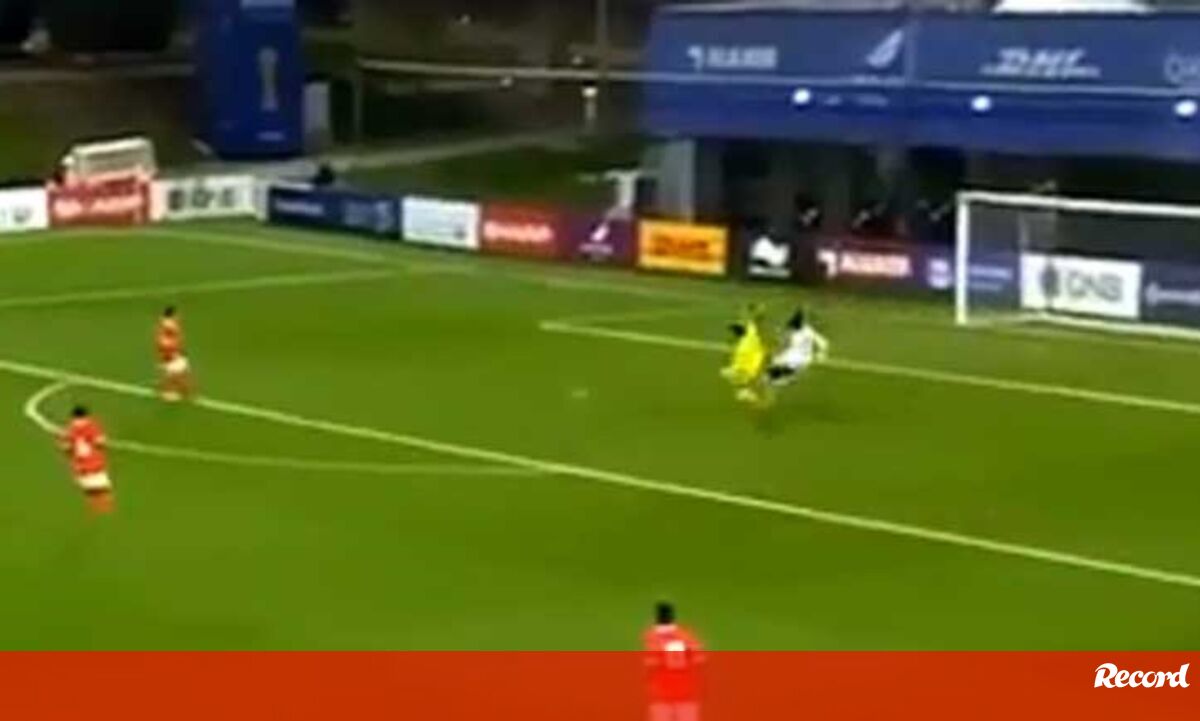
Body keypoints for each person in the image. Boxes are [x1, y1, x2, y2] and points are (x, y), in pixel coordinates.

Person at [644, 602, 704, 721]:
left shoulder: (652, 636)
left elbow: (650, 664)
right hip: (686, 691)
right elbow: (700, 659)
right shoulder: (686, 635)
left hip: (662, 692)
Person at [60, 405, 114, 516]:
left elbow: (65, 448)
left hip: (80, 466)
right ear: (86, 415)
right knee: (104, 490)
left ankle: (94, 511)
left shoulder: (69, 430)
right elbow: (101, 442)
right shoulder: (92, 426)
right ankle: (106, 510)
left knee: (90, 492)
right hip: (95, 463)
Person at [767, 309, 830, 387]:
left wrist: (775, 351)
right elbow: (824, 343)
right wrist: (821, 354)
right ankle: (786, 375)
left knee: (774, 361)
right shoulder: (808, 330)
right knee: (782, 361)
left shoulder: (792, 333)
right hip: (806, 359)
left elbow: (784, 345)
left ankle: (779, 378)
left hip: (793, 357)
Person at [720, 304, 768, 405]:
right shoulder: (751, 327)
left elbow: (753, 326)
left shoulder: (752, 327)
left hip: (752, 349)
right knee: (749, 370)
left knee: (749, 370)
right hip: (751, 349)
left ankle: (745, 389)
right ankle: (745, 389)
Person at [156, 305, 193, 402]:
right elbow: (169, 340)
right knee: (178, 373)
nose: (178, 315)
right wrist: (174, 351)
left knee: (175, 373)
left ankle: (180, 392)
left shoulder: (166, 324)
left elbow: (162, 340)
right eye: (176, 314)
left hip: (170, 352)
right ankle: (173, 392)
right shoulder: (170, 326)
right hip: (172, 352)